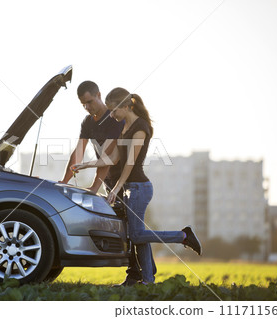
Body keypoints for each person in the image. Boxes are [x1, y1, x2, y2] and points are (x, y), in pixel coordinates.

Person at [71, 87, 202, 284]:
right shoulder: (125, 127)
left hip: (139, 188)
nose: (112, 115)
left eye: (114, 111)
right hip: (132, 188)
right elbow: (113, 158)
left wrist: (116, 188)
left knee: (137, 234)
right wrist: (86, 164)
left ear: (126, 106)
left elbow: (130, 164)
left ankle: (183, 235)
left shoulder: (140, 128)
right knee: (139, 236)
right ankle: (148, 282)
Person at [59, 81, 143, 285]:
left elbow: (107, 157)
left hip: (125, 182)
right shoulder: (87, 122)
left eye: (89, 101)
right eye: (83, 104)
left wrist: (95, 187)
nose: (88, 107)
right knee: (126, 228)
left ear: (98, 94)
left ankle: (138, 274)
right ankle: (138, 274)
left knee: (133, 228)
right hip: (108, 183)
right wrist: (64, 181)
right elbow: (78, 152)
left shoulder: (115, 119)